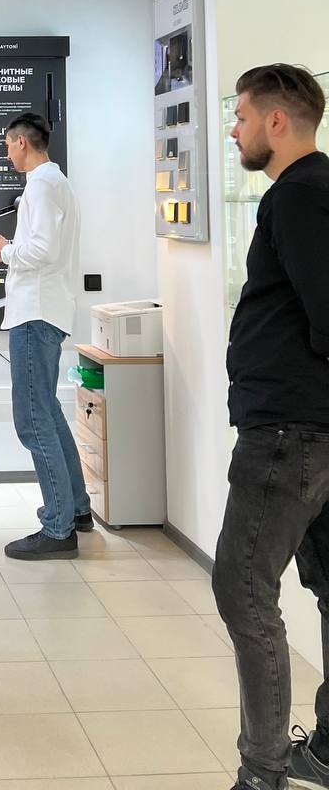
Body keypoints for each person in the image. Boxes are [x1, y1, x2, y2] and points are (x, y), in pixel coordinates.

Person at [211, 64, 329, 790]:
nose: (235, 130)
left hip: (289, 433)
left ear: (276, 122)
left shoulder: (297, 196)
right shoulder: (314, 191)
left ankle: (262, 771)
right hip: (308, 428)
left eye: (242, 117)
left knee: (243, 587)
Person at [0, 112, 89, 560]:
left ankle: (58, 527)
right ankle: (76, 509)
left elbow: (42, 249)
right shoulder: (54, 183)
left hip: (35, 312)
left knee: (32, 419)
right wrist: (10, 249)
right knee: (47, 412)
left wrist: (7, 250)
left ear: (22, 143)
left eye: (8, 145)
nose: (7, 154)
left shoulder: (42, 185)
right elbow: (46, 246)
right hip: (47, 308)